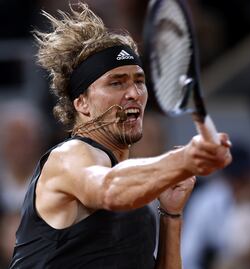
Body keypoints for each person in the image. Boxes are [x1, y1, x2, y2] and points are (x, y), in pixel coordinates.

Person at [9, 3, 232, 269]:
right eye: (116, 82)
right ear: (82, 103)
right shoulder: (68, 157)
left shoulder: (135, 197)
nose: (134, 93)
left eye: (139, 81)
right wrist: (185, 159)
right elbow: (109, 189)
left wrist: (171, 216)